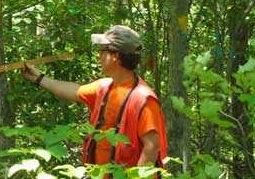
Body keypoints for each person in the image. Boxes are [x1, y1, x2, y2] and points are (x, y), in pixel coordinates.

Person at [21, 25, 168, 174]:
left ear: (115, 56)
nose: (99, 55)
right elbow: (74, 91)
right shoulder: (104, 87)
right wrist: (38, 78)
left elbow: (152, 147)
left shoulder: (143, 98)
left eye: (102, 50)